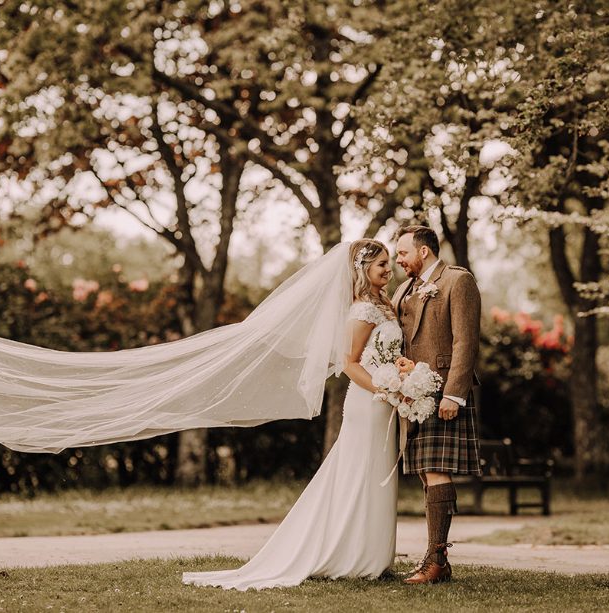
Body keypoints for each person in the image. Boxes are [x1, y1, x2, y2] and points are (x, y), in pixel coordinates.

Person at [183, 239, 402, 590]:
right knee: (358, 474)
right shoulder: (361, 310)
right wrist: (386, 389)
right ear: (363, 269)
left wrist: (399, 378)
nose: (388, 268)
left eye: (389, 262)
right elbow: (349, 363)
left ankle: (373, 555)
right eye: (381, 264)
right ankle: (349, 554)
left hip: (385, 403)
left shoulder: (384, 304)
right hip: (369, 403)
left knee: (375, 474)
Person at [392, 225, 482, 584]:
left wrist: (454, 393)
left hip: (443, 392)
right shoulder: (402, 289)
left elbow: (466, 341)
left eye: (402, 253)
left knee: (435, 470)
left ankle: (436, 560)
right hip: (412, 396)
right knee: (425, 474)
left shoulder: (458, 282)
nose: (398, 259)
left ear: (423, 251)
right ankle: (436, 559)